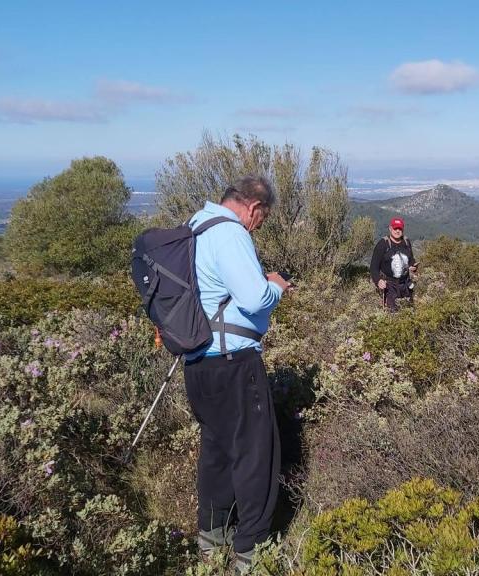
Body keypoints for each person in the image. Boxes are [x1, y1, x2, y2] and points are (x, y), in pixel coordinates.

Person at [184, 175, 291, 572]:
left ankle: (212, 541)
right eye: (262, 218)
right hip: (234, 363)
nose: (259, 225)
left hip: (197, 363)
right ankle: (251, 554)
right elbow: (254, 297)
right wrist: (275, 287)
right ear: (254, 208)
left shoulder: (195, 226)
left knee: (216, 451)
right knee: (255, 454)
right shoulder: (230, 234)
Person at [370, 216, 417, 311]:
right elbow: (373, 267)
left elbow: (411, 259)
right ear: (390, 228)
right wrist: (378, 280)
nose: (397, 231)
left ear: (403, 229)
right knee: (392, 316)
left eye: (399, 228)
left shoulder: (406, 242)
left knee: (408, 314)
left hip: (406, 285)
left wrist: (413, 266)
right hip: (389, 287)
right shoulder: (383, 244)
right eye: (395, 228)